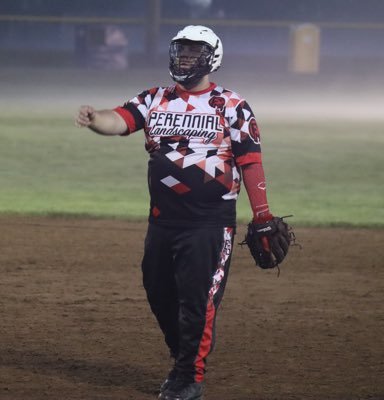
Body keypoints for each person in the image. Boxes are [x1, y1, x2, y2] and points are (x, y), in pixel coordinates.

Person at [75, 25, 275, 400]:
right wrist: (94, 118)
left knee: (197, 300)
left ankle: (189, 377)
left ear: (211, 58)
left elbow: (250, 163)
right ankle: (184, 354)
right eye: (180, 51)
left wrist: (262, 216)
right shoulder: (155, 98)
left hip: (209, 223)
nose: (184, 58)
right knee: (158, 290)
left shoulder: (231, 105)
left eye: (193, 52)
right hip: (162, 220)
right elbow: (119, 119)